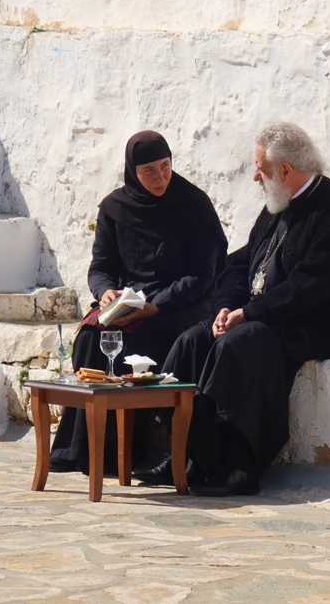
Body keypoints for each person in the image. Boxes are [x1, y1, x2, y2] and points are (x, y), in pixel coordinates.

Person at [137, 122, 330, 496]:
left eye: (261, 169)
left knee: (241, 344)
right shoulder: (276, 206)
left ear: (285, 171)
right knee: (192, 341)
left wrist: (248, 314)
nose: (254, 177)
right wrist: (226, 306)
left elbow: (309, 288)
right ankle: (185, 456)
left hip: (325, 323)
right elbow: (238, 264)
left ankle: (239, 467)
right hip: (270, 314)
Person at [49, 130, 227, 473]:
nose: (160, 177)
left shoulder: (194, 206)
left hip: (178, 306)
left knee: (139, 342)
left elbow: (202, 275)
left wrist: (156, 306)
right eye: (149, 170)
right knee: (90, 337)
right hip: (128, 303)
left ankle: (124, 452)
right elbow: (101, 267)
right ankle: (80, 448)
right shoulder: (115, 208)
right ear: (133, 171)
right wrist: (106, 293)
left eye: (165, 166)